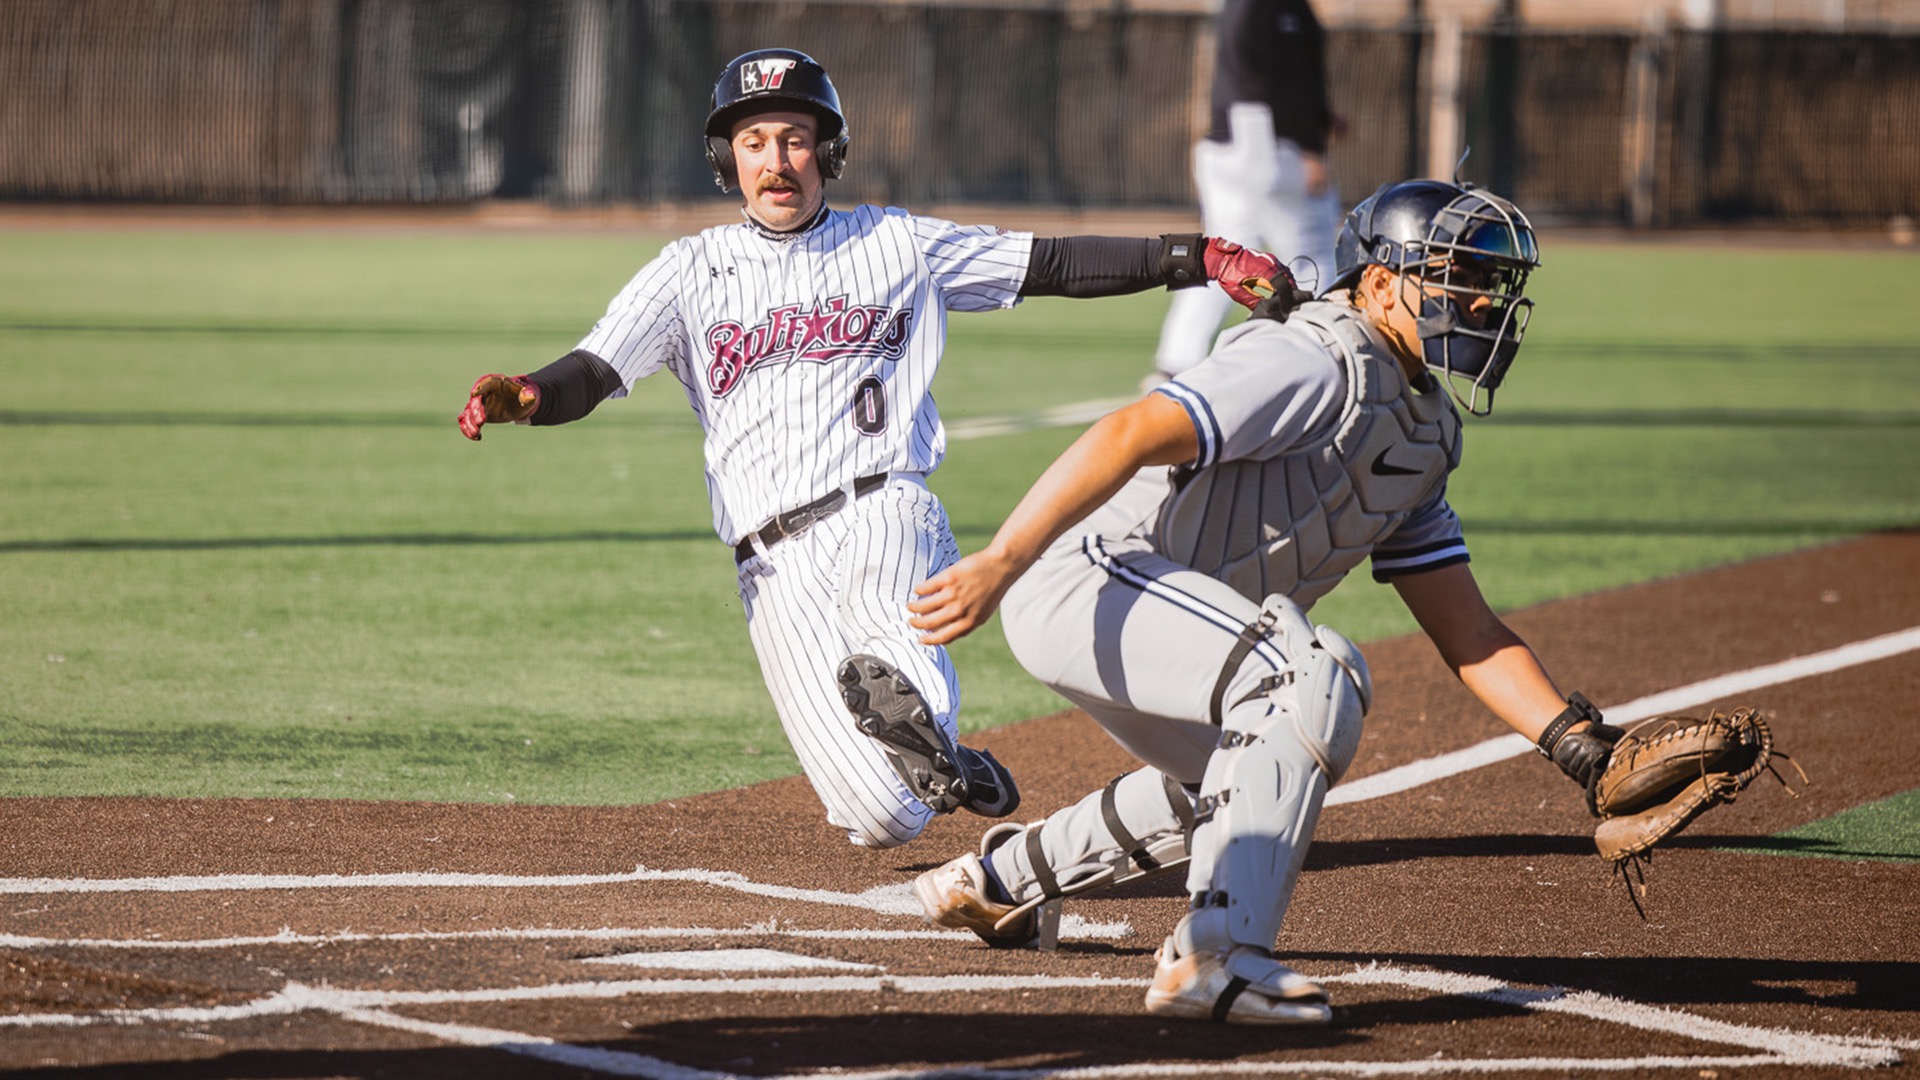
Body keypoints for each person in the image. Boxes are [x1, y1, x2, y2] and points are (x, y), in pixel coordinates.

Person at [455, 48, 1296, 853]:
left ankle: (922, 717)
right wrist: (527, 395)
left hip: (880, 509)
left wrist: (1199, 255)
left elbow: (1052, 261)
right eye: (754, 142)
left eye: (793, 138)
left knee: (903, 664)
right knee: (880, 818)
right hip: (769, 570)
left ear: (828, 151)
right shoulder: (689, 271)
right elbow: (595, 370)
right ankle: (946, 763)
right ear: (728, 160)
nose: (776, 159)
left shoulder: (897, 244)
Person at [907, 179, 1629, 1025]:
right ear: (1383, 281)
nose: (1480, 298)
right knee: (1310, 678)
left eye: (1492, 280)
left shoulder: (1423, 433)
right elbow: (1128, 432)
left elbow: (1468, 631)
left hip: (1144, 603)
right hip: (1088, 575)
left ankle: (995, 882)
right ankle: (1216, 960)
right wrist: (1002, 559)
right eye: (1456, 272)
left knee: (1246, 766)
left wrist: (1583, 749)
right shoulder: (1312, 356)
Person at [1150, 0, 1343, 387]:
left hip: (1242, 139)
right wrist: (1308, 143)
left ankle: (1175, 362)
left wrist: (1320, 120)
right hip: (1258, 139)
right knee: (1312, 251)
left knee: (1226, 255)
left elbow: (1293, 75)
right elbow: (1257, 78)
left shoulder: (1288, 9)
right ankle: (1336, 350)